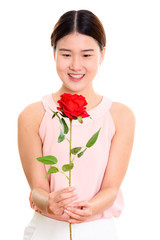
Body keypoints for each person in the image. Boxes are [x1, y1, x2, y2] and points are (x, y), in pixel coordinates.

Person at [18, 9, 135, 240]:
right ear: (54, 53)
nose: (76, 65)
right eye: (66, 54)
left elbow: (111, 188)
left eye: (87, 55)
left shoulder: (120, 116)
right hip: (47, 231)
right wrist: (49, 202)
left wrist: (92, 207)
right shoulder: (32, 116)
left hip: (98, 231)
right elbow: (37, 188)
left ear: (102, 54)